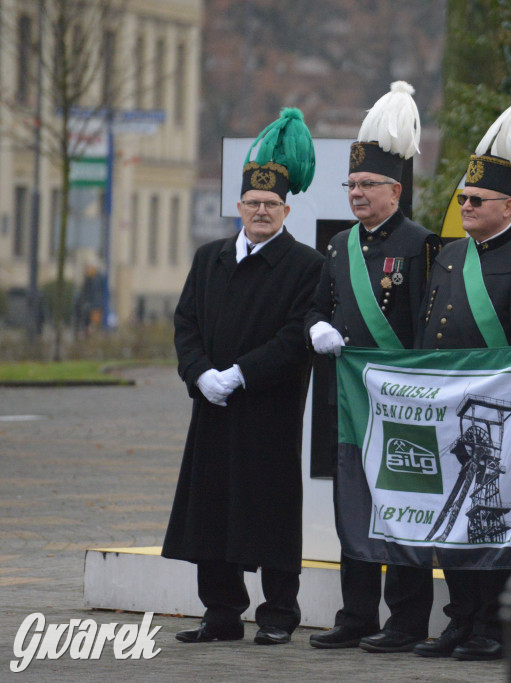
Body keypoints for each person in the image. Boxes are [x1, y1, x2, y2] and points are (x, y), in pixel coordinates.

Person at [163, 108, 324, 646]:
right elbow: (186, 322)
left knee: (272, 511)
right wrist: (200, 374)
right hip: (212, 405)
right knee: (210, 507)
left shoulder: (306, 266)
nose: (261, 211)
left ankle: (279, 613)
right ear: (238, 207)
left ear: (286, 209)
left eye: (271, 205)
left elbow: (297, 334)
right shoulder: (209, 258)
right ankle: (221, 612)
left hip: (268, 409)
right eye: (252, 204)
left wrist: (240, 374)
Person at [413, 87, 511, 662]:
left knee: (493, 520)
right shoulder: (448, 255)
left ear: (510, 208)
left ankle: (493, 624)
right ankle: (461, 618)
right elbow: (429, 333)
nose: (465, 207)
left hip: (498, 413)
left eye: (477, 199)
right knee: (452, 524)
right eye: (463, 198)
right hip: (446, 408)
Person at [305, 82, 440, 654]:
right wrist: (317, 325)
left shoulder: (421, 244)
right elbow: (316, 304)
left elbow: (428, 327)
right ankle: (356, 613)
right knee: (354, 511)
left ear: (395, 188)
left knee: (404, 513)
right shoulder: (337, 247)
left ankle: (406, 621)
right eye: (351, 185)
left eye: (367, 185)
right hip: (349, 401)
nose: (357, 194)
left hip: (402, 402)